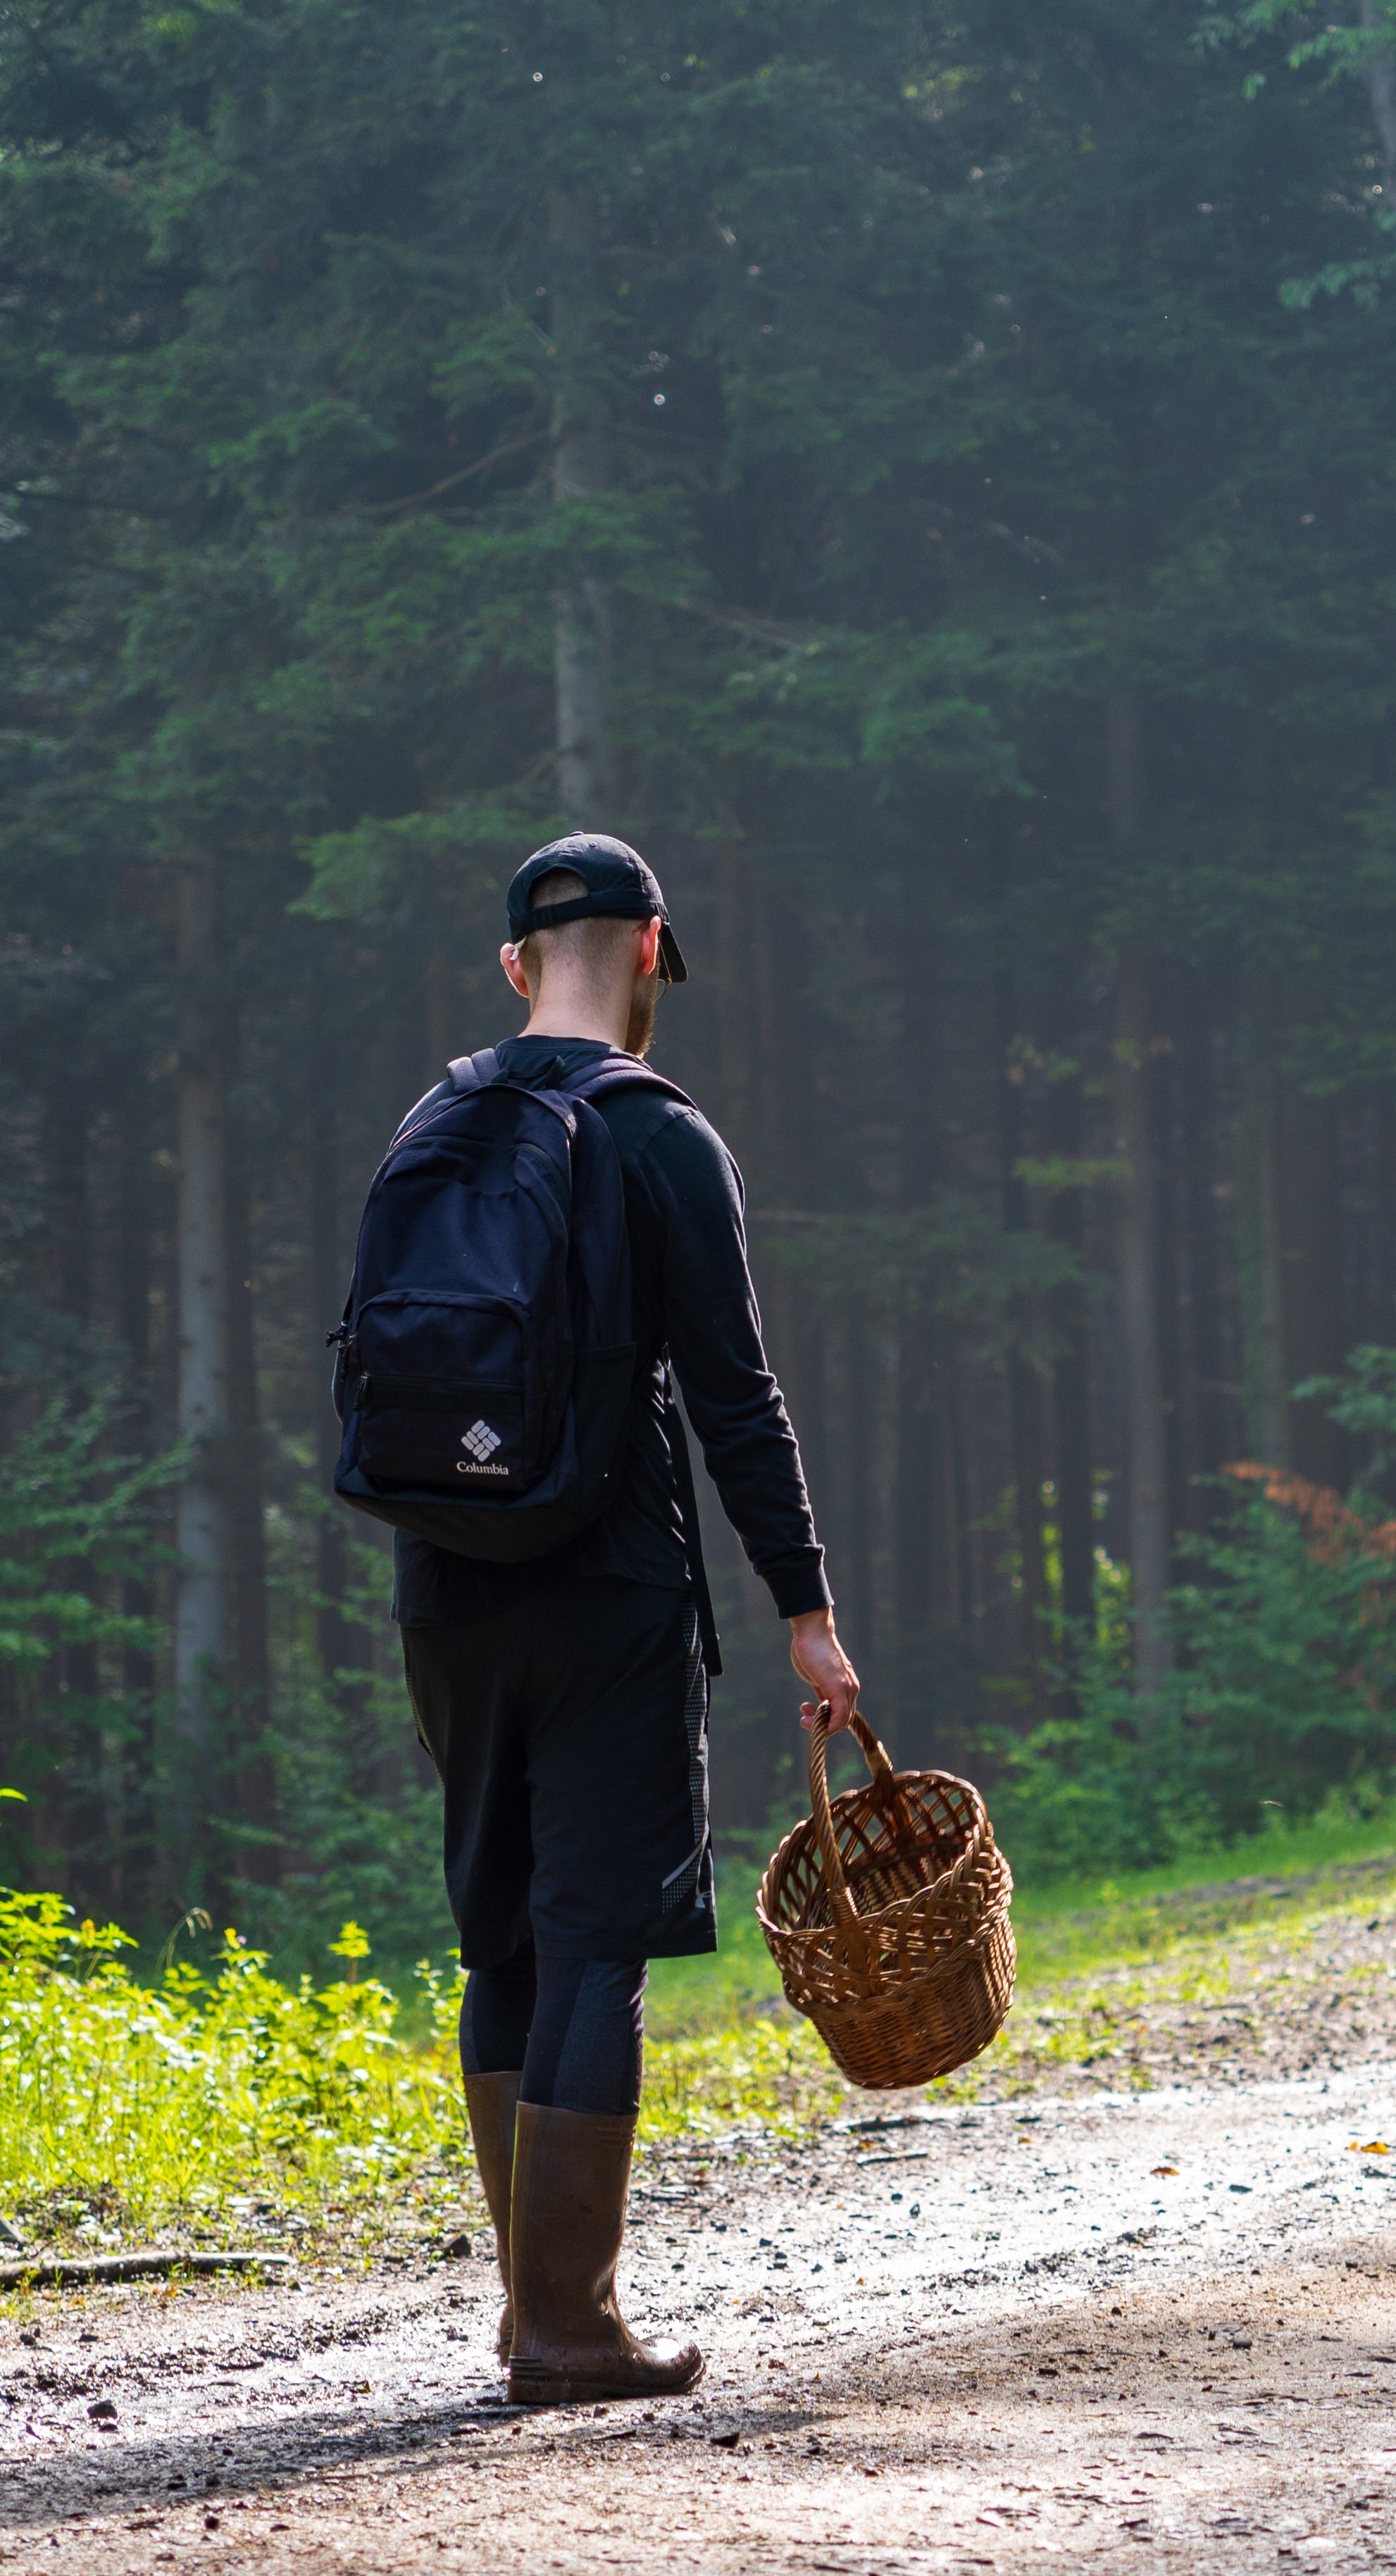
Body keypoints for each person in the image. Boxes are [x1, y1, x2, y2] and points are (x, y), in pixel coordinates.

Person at [391, 831, 862, 2407]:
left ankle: (532, 2310)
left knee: (501, 1939)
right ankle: (569, 2327)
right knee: (597, 1944)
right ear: (651, 950)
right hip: (607, 1586)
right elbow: (737, 1398)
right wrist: (805, 1608)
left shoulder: (438, 1115)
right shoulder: (662, 1136)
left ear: (519, 968)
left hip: (445, 1584)